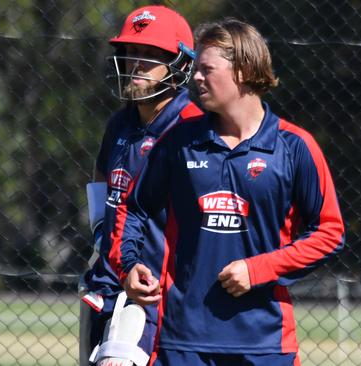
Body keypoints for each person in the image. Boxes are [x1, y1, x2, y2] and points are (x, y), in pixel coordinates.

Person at [111, 18, 345, 366]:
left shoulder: (295, 147)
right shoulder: (178, 143)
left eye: (207, 69)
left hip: (266, 344)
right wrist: (128, 266)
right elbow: (132, 209)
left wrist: (261, 269)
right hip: (182, 341)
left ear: (244, 71)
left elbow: (329, 233)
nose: (197, 78)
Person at [78, 5, 202, 366]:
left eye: (150, 56)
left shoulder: (193, 127)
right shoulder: (120, 123)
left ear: (178, 65)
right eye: (131, 52)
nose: (135, 63)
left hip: (157, 290)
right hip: (110, 279)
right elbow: (103, 172)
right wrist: (102, 227)